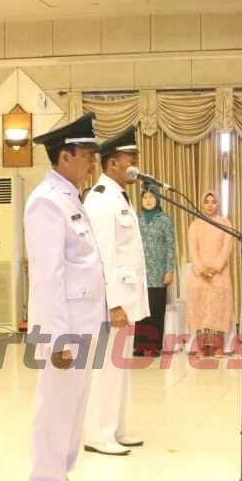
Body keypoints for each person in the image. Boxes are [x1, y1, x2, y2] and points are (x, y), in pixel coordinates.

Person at [25, 113, 107, 481]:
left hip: (85, 324)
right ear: (64, 156)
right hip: (66, 329)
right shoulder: (45, 201)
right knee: (56, 409)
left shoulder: (71, 197)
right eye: (87, 153)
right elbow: (47, 275)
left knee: (74, 411)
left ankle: (60, 480)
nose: (93, 160)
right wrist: (56, 338)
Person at [82, 125, 147, 457]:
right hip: (113, 301)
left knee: (119, 367)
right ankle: (98, 433)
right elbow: (103, 256)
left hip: (127, 297)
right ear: (111, 163)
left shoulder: (119, 196)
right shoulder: (100, 199)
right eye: (129, 157)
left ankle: (116, 428)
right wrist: (113, 303)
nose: (135, 163)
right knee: (106, 368)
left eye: (135, 156)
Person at [186, 191, 233, 356]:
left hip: (219, 274)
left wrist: (215, 268)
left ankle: (218, 346)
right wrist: (201, 269)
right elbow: (193, 250)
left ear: (218, 204)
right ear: (202, 203)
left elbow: (226, 248)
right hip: (199, 275)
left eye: (213, 201)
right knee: (201, 309)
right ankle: (202, 347)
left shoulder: (225, 223)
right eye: (207, 201)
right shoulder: (195, 225)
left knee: (218, 309)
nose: (210, 205)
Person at [134, 189, 175, 357]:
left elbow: (170, 246)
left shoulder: (165, 219)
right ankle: (139, 346)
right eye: (145, 197)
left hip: (158, 272)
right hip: (140, 272)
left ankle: (154, 346)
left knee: (156, 309)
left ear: (157, 199)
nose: (148, 200)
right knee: (141, 309)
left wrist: (169, 270)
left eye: (151, 197)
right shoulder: (136, 219)